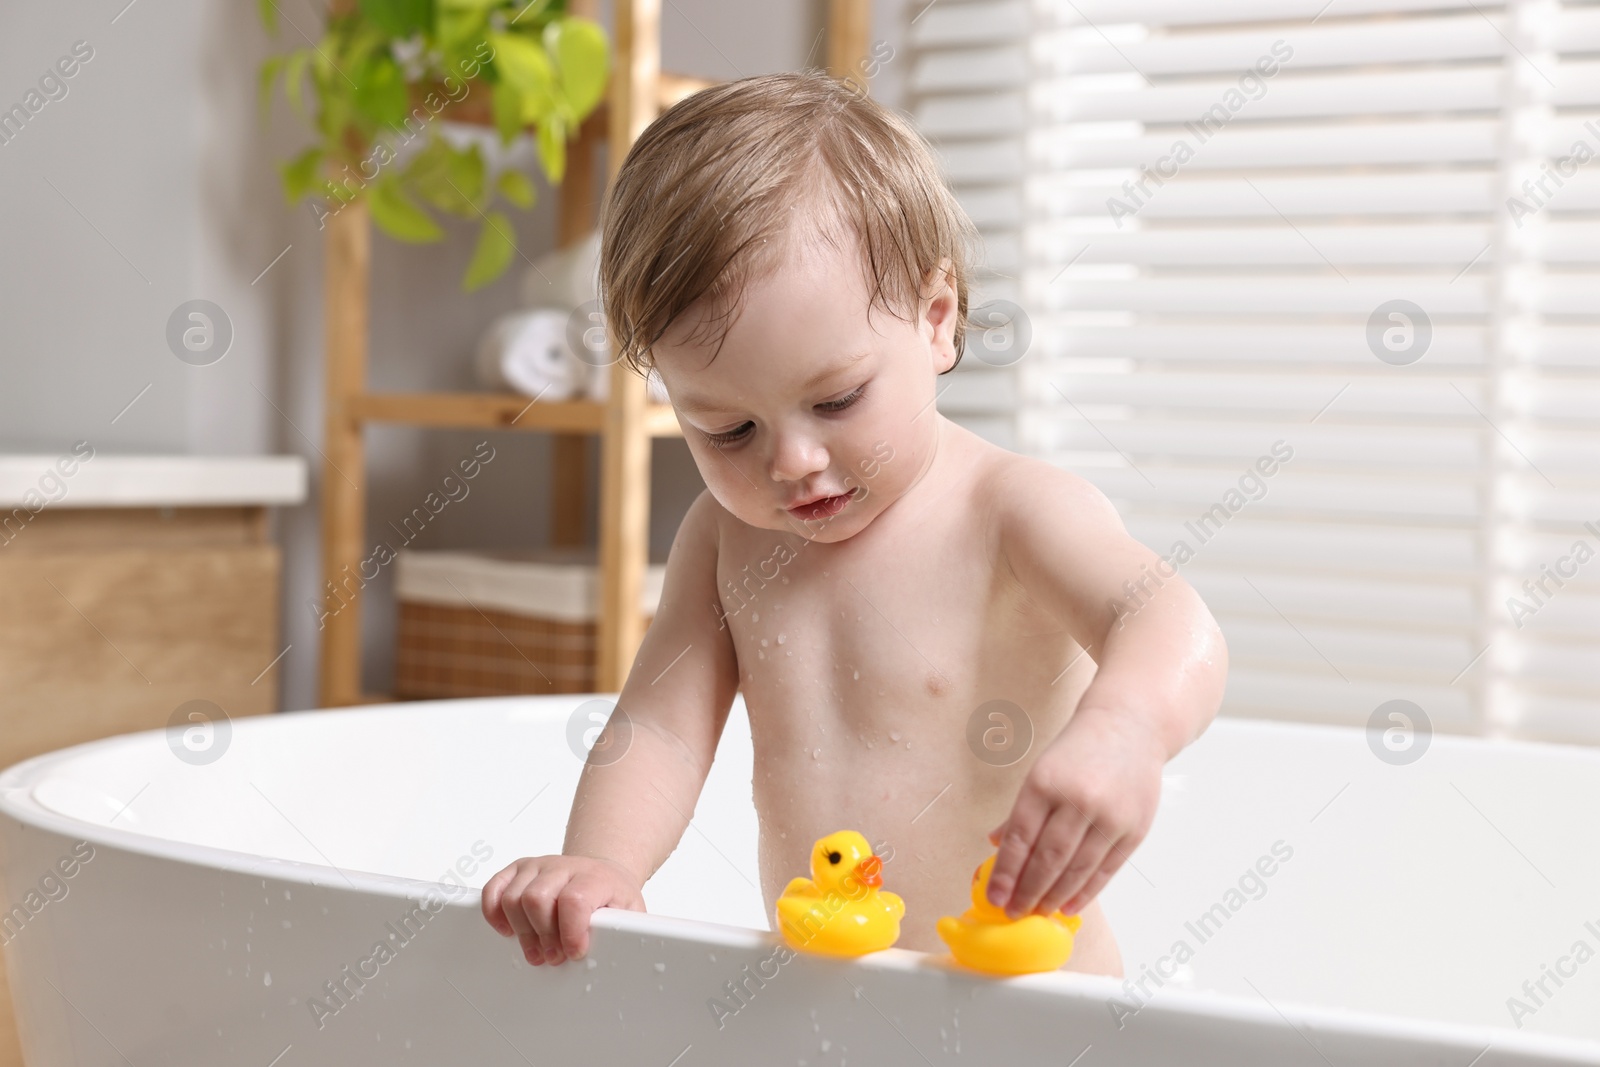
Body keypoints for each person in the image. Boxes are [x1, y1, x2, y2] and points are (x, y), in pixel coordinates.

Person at [481, 70, 1227, 975]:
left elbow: (1168, 618)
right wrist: (601, 861)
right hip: (828, 1009)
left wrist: (1126, 730)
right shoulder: (724, 542)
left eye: (836, 400)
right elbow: (663, 728)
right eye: (728, 429)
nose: (790, 461)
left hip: (1030, 1004)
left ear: (938, 318)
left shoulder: (1010, 511)